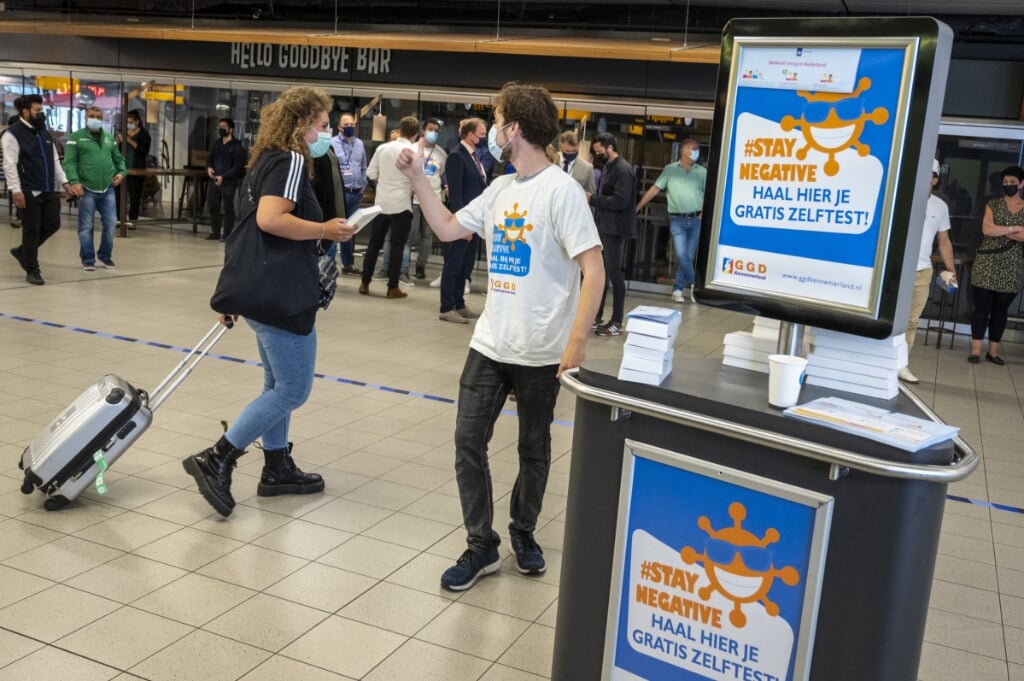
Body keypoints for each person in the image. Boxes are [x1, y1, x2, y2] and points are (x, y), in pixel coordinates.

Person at [396, 82, 605, 591]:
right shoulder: (499, 190)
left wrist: (576, 341)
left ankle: (524, 534)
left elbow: (593, 270)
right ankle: (481, 546)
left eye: (496, 118)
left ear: (515, 128)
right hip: (490, 344)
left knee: (534, 449)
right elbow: (447, 229)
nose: (492, 128)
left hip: (542, 351)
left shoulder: (563, 191)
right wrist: (417, 178)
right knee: (469, 442)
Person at [182, 86, 357, 518]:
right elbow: (270, 220)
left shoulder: (263, 161)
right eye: (321, 125)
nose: (326, 133)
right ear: (300, 125)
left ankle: (277, 466)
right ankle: (218, 456)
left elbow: (248, 228)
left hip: (259, 289)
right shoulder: (294, 159)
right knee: (294, 389)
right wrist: (324, 230)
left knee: (275, 385)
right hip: (282, 294)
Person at [3, 94, 74, 286]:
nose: (41, 114)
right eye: (38, 111)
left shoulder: (44, 132)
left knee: (53, 224)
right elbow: (10, 165)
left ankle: (22, 252)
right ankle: (32, 269)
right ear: (25, 112)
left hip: (48, 187)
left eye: (42, 111)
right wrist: (16, 190)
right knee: (31, 230)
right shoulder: (12, 134)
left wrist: (65, 182)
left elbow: (54, 160)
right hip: (27, 189)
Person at [900, 159, 956, 384]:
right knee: (891, 319)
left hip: (922, 271)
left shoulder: (940, 206)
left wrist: (951, 269)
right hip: (897, 270)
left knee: (911, 321)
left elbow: (944, 241)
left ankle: (901, 365)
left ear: (935, 179)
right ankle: (881, 360)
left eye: (929, 175)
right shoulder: (901, 199)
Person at [635, 138, 706, 303]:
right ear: (683, 151)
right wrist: (638, 206)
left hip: (696, 219)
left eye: (697, 149)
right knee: (682, 255)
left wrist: (703, 212)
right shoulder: (670, 170)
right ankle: (697, 285)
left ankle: (678, 289)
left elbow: (709, 193)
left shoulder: (702, 172)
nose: (695, 152)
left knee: (688, 255)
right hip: (677, 219)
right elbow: (654, 189)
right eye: (692, 149)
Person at [967, 164, 1024, 365]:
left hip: (1012, 265)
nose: (1008, 185)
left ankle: (993, 352)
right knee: (981, 308)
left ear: (1021, 184)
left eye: (1012, 183)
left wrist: (1000, 229)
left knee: (1000, 310)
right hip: (987, 263)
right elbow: (987, 230)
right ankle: (975, 351)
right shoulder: (992, 204)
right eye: (1005, 182)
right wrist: (1014, 228)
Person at [380, 118, 447, 283]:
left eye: (436, 130)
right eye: (430, 129)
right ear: (423, 131)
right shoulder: (412, 148)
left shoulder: (441, 153)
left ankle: (420, 266)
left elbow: (442, 174)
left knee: (427, 235)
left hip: (433, 199)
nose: (433, 133)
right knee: (410, 234)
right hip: (414, 199)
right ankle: (403, 269)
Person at [359, 115, 420, 299]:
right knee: (397, 246)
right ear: (415, 135)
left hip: (381, 204)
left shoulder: (382, 148)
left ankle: (365, 282)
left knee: (374, 243)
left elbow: (370, 173)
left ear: (399, 130)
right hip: (401, 204)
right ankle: (392, 287)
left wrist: (383, 184)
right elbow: (417, 180)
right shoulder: (414, 152)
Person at [437, 117, 488, 323]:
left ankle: (459, 302)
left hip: (475, 220)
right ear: (469, 134)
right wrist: (461, 224)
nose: (484, 138)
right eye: (481, 134)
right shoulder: (457, 156)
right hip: (463, 221)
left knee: (466, 265)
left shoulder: (474, 156)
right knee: (454, 264)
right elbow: (456, 194)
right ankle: (447, 306)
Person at [63, 106, 127, 271]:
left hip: (108, 189)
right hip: (86, 188)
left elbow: (119, 159)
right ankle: (88, 259)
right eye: (92, 116)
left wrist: (121, 173)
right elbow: (69, 162)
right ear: (85, 117)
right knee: (86, 226)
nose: (95, 119)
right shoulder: (76, 137)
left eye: (98, 116)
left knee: (111, 223)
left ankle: (105, 256)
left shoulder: (109, 138)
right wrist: (74, 181)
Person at [589, 132, 637, 337]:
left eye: (600, 151)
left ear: (610, 147)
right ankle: (596, 314)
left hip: (615, 229)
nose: (597, 155)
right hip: (604, 226)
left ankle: (617, 320)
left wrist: (593, 199)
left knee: (615, 274)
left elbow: (620, 201)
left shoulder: (623, 170)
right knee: (602, 273)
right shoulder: (609, 167)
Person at [329, 111, 366, 275]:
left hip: (356, 192)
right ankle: (329, 264)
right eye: (346, 125)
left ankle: (348, 264)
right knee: (335, 227)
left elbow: (363, 166)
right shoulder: (332, 143)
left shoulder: (360, 144)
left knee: (349, 229)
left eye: (352, 125)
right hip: (339, 192)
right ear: (339, 127)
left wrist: (363, 184)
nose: (350, 127)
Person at [205, 117, 247, 241]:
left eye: (224, 127)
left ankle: (227, 234)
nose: (221, 129)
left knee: (228, 207)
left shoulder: (237, 147)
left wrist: (223, 176)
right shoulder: (217, 143)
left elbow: (237, 167)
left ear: (231, 129)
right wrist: (209, 168)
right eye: (220, 127)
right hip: (214, 180)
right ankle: (215, 232)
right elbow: (210, 158)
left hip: (228, 182)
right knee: (213, 206)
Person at [118, 109, 150, 228]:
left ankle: (132, 220)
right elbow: (116, 149)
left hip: (136, 169)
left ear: (137, 122)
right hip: (122, 169)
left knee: (135, 196)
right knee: (119, 195)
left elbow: (144, 151)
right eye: (127, 122)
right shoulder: (124, 132)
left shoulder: (144, 135)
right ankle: (119, 219)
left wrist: (130, 141)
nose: (129, 124)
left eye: (131, 122)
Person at [558, 130, 595, 195]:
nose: (571, 153)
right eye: (568, 151)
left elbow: (591, 195)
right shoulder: (550, 161)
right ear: (561, 146)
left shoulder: (587, 168)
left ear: (578, 146)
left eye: (574, 151)